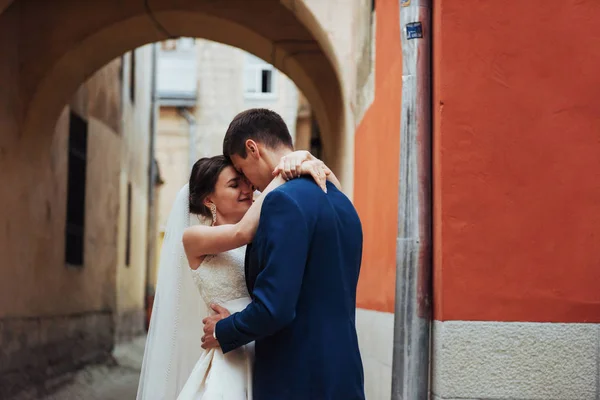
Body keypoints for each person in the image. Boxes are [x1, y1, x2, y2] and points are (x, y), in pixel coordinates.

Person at [136, 149, 337, 400]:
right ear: (209, 199)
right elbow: (240, 233)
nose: (248, 189)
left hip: (266, 344)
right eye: (234, 185)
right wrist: (285, 171)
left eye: (247, 182)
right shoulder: (194, 238)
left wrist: (309, 160)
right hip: (231, 352)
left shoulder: (261, 232)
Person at [202, 108, 365, 400]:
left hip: (296, 379)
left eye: (241, 170)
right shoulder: (343, 202)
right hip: (345, 376)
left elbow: (274, 308)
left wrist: (224, 329)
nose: (248, 184)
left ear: (253, 148)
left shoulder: (281, 203)